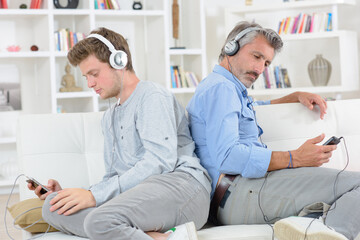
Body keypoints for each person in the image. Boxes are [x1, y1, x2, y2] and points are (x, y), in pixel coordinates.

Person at [28, 27, 212, 240]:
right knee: (53, 206)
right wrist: (75, 195)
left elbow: (160, 162)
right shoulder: (110, 117)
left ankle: (127, 230)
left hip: (181, 187)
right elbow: (113, 177)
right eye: (86, 76)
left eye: (94, 74)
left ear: (119, 61)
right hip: (141, 194)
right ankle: (148, 235)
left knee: (99, 221)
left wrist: (93, 196)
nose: (90, 84)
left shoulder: (151, 96)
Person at [186, 21, 360, 240]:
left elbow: (250, 110)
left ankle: (312, 228)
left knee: (337, 205)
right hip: (239, 192)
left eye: (266, 63)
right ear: (232, 47)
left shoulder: (226, 88)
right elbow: (228, 156)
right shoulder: (221, 89)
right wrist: (294, 158)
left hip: (236, 195)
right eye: (256, 56)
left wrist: (293, 97)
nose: (260, 69)